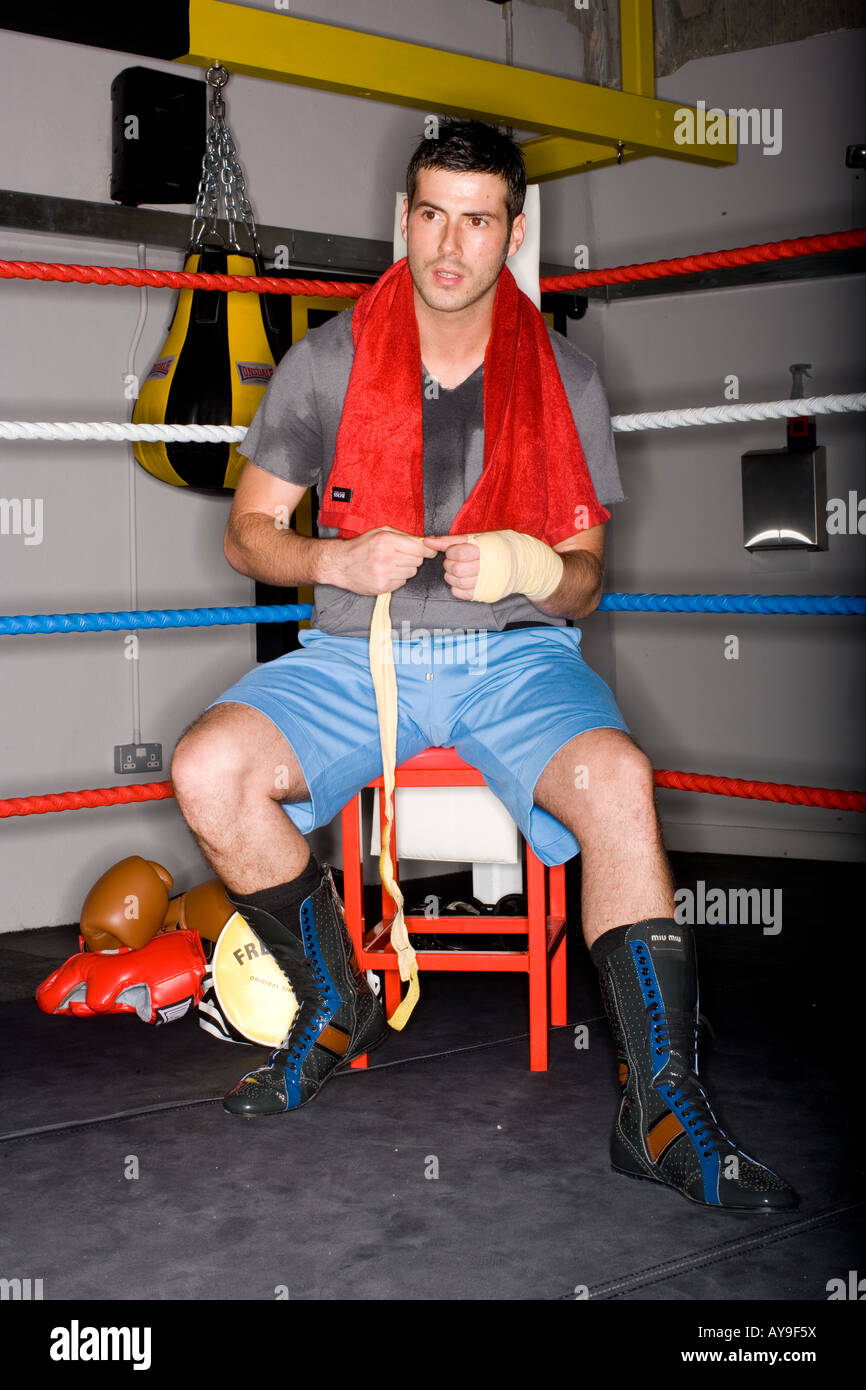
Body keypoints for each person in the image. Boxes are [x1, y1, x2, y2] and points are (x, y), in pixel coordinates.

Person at [171, 119, 796, 1212]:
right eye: (429, 215)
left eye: (476, 219)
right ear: (400, 220)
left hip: (515, 657)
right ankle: (331, 1002)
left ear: (510, 231)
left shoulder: (564, 376)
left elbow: (588, 579)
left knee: (618, 783)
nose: (448, 245)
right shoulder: (326, 360)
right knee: (205, 767)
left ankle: (655, 1111)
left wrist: (524, 564)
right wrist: (335, 553)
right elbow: (248, 534)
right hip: (355, 654)